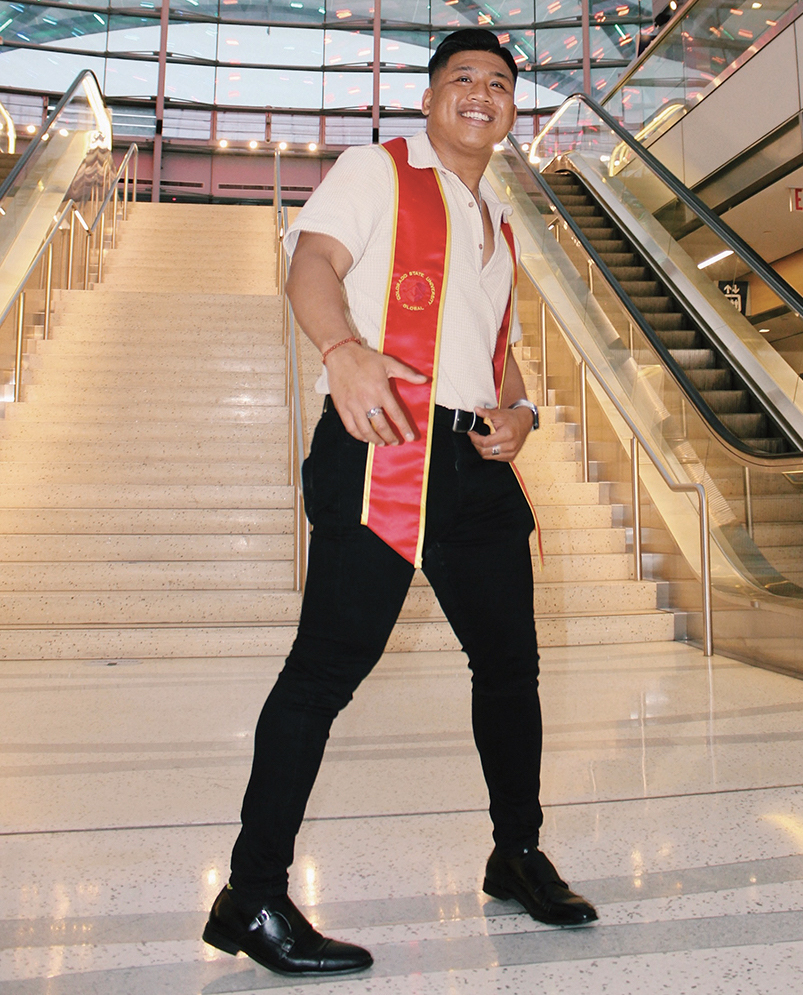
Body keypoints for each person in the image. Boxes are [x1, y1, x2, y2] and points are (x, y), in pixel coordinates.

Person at [202, 27, 598, 977]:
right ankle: (250, 895)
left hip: (472, 466)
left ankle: (516, 850)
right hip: (382, 448)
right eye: (461, 78)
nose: (481, 93)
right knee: (322, 674)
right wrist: (343, 353)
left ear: (512, 110)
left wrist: (519, 413)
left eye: (499, 83)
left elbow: (494, 349)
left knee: (511, 667)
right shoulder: (375, 170)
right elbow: (311, 264)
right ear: (428, 100)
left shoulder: (498, 222)